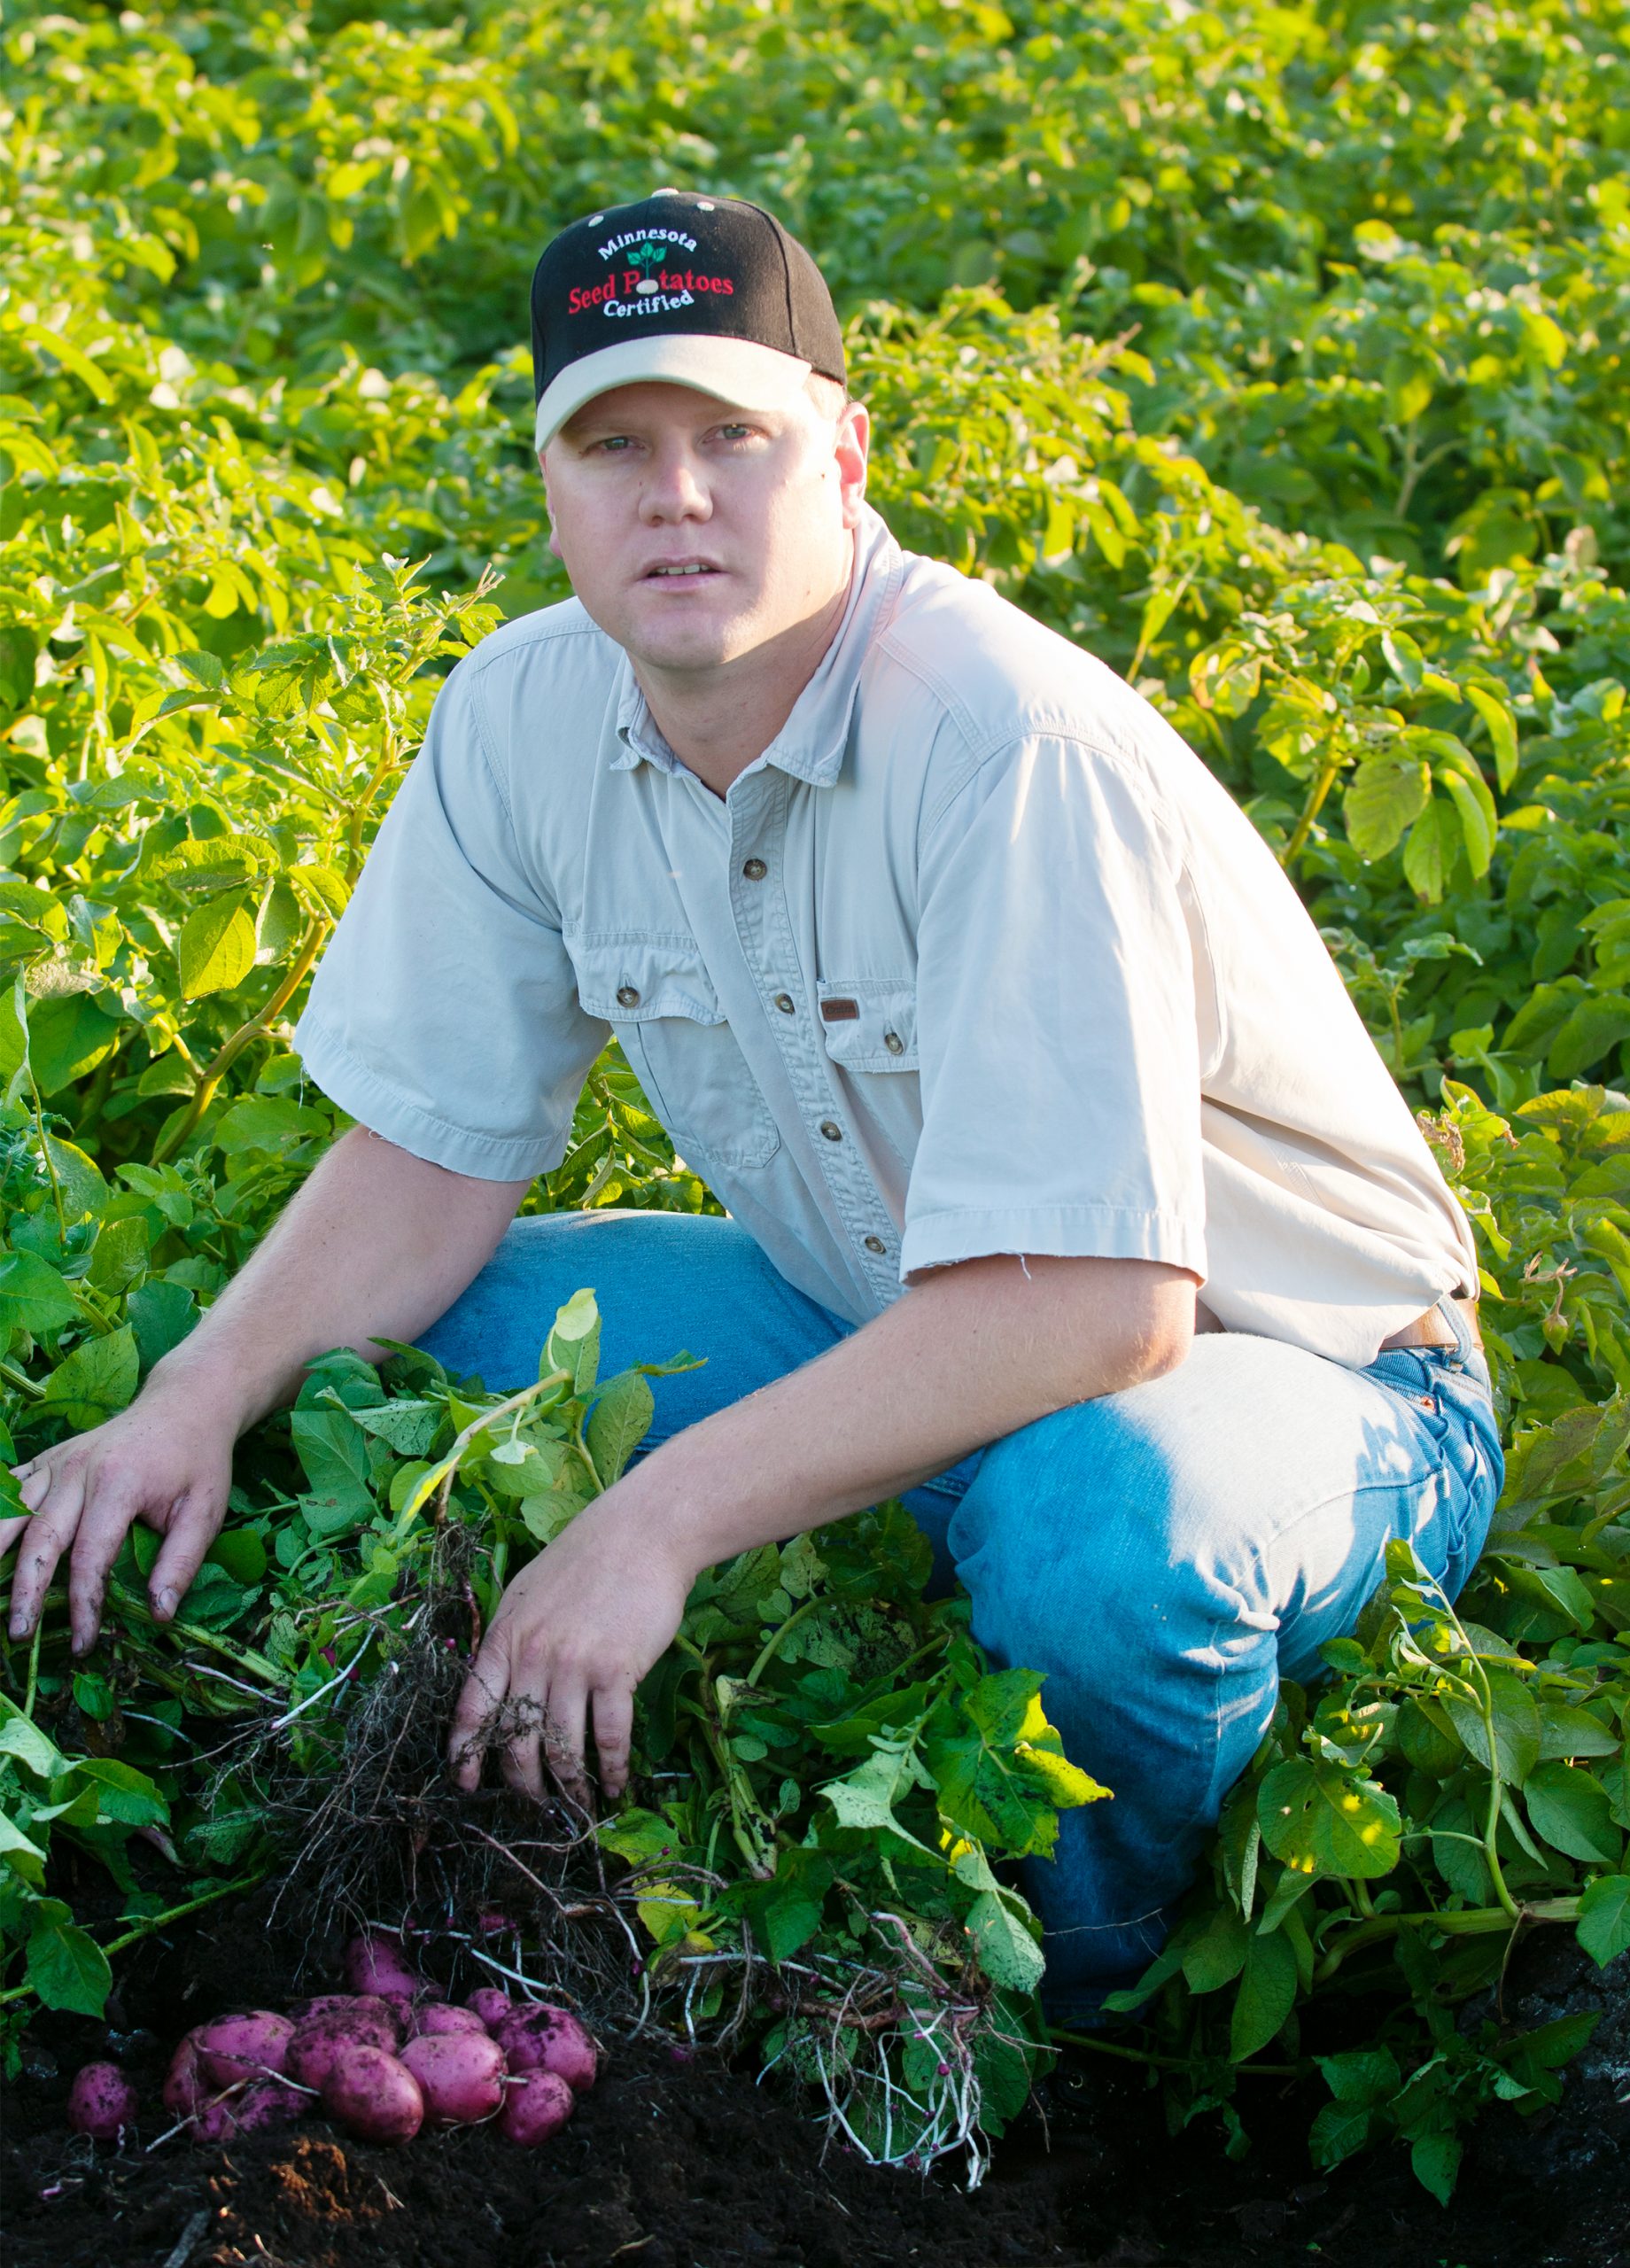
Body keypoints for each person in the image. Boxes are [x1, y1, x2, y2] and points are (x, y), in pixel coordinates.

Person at [1, 191, 1502, 2017]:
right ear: (545, 484)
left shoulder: (1002, 739)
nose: (678, 493)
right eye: (614, 443)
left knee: (1109, 1529)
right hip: (878, 1310)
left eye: (736, 435)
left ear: (845, 455)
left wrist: (653, 1520)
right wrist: (193, 1390)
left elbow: (1105, 1306)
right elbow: (422, 1155)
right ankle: (545, 1775)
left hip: (1289, 1371)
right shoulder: (516, 718)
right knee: (402, 1353)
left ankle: (1042, 2012)